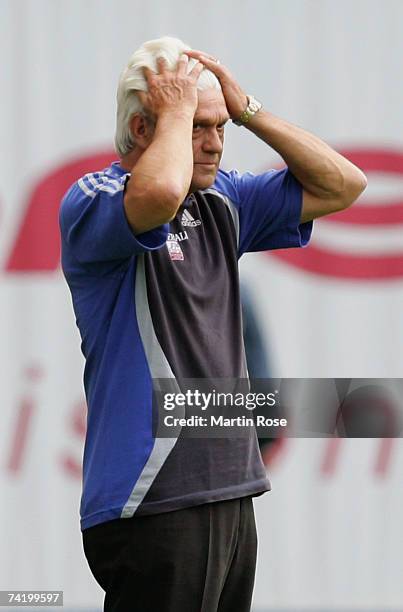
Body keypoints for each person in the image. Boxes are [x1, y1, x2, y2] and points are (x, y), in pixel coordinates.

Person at [59, 36, 367, 612]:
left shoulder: (222, 201)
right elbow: (159, 192)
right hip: (152, 495)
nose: (214, 144)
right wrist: (175, 109)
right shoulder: (92, 199)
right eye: (198, 125)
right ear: (143, 128)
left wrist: (249, 111)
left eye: (220, 127)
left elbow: (343, 185)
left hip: (228, 487)